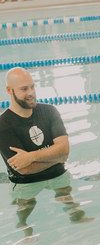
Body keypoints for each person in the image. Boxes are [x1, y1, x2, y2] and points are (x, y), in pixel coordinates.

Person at [0, 68, 89, 236]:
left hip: (58, 175)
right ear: (9, 91)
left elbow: (64, 150)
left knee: (69, 200)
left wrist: (31, 156)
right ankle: (23, 226)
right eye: (24, 89)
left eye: (32, 87)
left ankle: (76, 216)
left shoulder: (49, 111)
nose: (31, 93)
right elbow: (24, 169)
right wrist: (57, 157)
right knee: (25, 208)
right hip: (25, 183)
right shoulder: (3, 124)